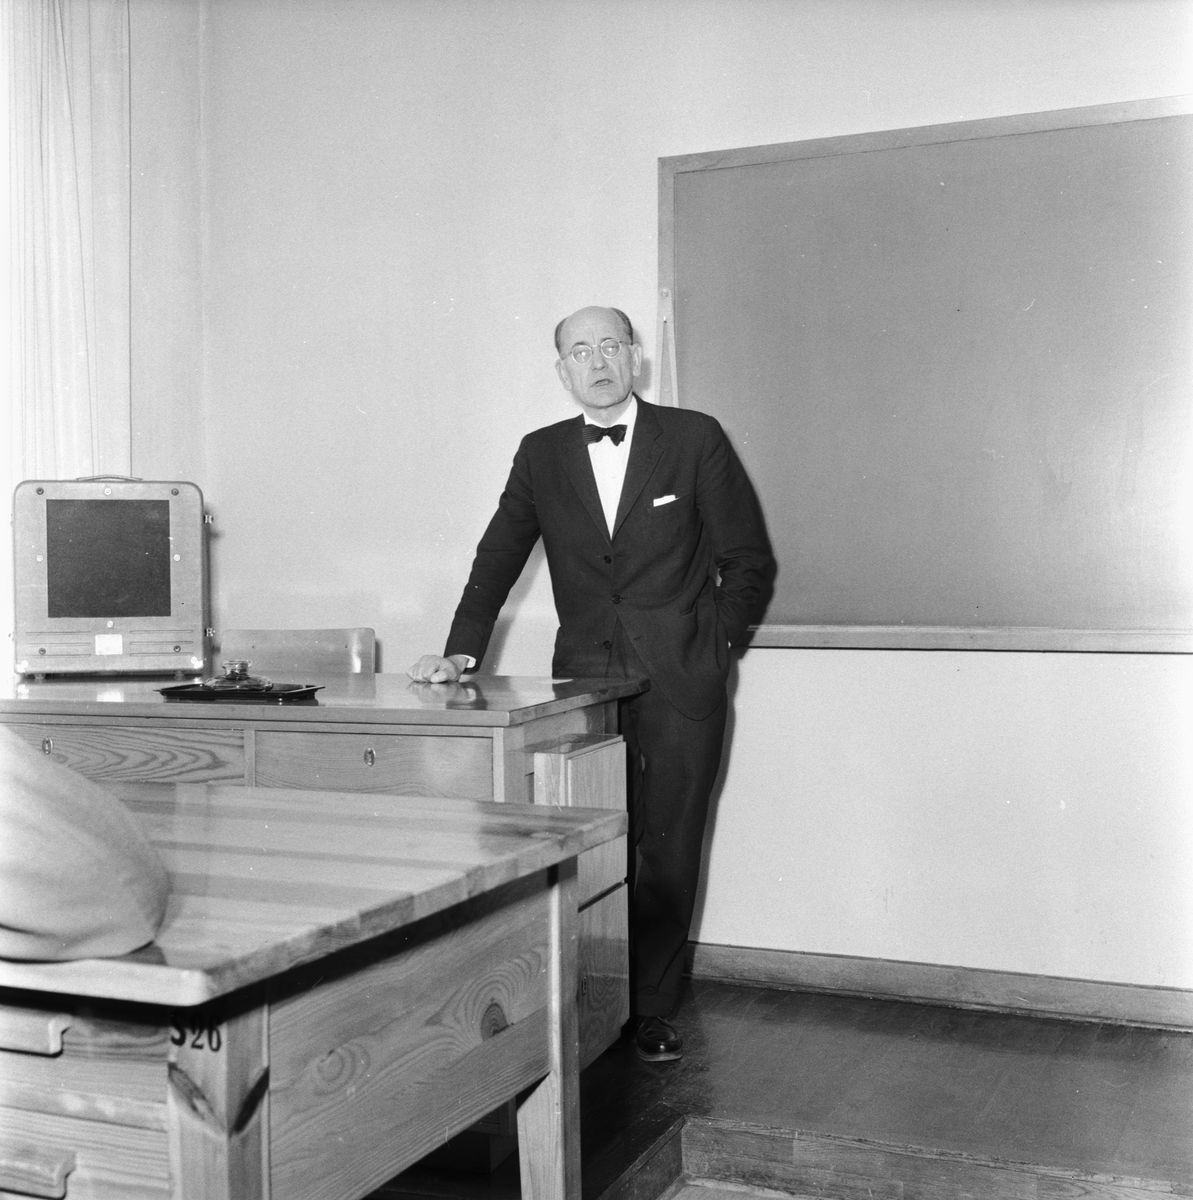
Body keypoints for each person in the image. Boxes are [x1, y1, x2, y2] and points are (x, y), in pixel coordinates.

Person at [409, 306, 772, 1062]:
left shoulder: (694, 437)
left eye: (611, 345)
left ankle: (651, 1010)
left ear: (634, 356)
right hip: (584, 681)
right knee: (590, 842)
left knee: (668, 845)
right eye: (580, 350)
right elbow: (495, 559)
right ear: (562, 370)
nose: (598, 361)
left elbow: (747, 560)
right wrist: (459, 655)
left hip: (683, 678)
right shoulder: (541, 453)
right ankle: (588, 1004)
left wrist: (715, 645)